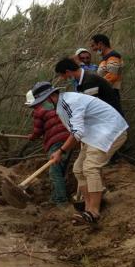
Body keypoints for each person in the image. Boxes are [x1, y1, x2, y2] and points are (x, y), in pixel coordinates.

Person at [49, 90, 128, 225]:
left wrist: (61, 151)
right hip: (95, 134)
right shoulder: (63, 104)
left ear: (51, 97)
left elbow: (77, 132)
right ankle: (88, 209)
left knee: (90, 167)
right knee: (78, 169)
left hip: (109, 130)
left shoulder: (69, 103)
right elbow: (77, 131)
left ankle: (94, 212)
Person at [26, 82, 71, 206]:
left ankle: (61, 201)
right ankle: (56, 196)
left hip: (56, 142)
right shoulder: (56, 105)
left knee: (55, 171)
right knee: (61, 170)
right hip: (69, 138)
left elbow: (37, 131)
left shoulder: (38, 110)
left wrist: (32, 137)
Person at [55, 58, 123, 114]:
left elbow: (90, 106)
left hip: (112, 118)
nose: (63, 78)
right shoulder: (83, 80)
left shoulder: (89, 81)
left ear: (67, 72)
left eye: (62, 75)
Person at [90, 34, 124, 106]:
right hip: (105, 93)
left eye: (93, 45)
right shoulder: (106, 58)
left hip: (110, 94)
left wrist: (94, 88)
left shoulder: (113, 57)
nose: (92, 49)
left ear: (100, 44)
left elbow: (112, 76)